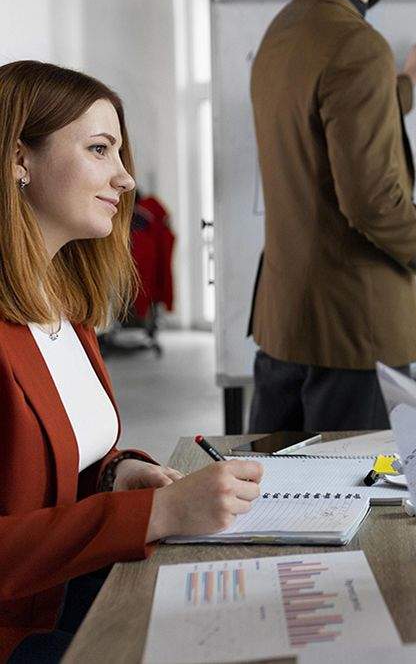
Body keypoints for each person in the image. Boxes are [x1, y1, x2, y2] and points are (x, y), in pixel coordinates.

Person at [0, 61, 265, 663]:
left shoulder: (64, 307)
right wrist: (158, 512)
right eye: (100, 150)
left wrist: (118, 477)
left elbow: (49, 473)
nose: (125, 180)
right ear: (19, 159)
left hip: (72, 587)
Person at [248, 0, 416, 433]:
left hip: (286, 324)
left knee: (277, 499)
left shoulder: (283, 30)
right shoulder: (356, 45)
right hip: (353, 334)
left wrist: (404, 82)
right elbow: (372, 202)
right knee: (358, 503)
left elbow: (327, 114)